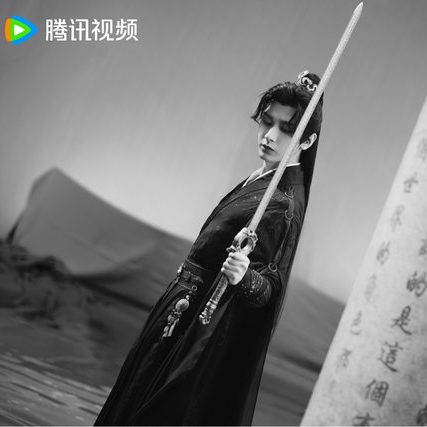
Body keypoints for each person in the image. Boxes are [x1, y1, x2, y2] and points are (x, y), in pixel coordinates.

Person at [95, 70, 323, 426]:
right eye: (267, 122)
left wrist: (244, 276)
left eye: (286, 129)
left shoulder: (281, 204)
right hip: (180, 308)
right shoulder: (263, 177)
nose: (270, 136)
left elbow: (269, 287)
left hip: (197, 324)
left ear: (306, 141)